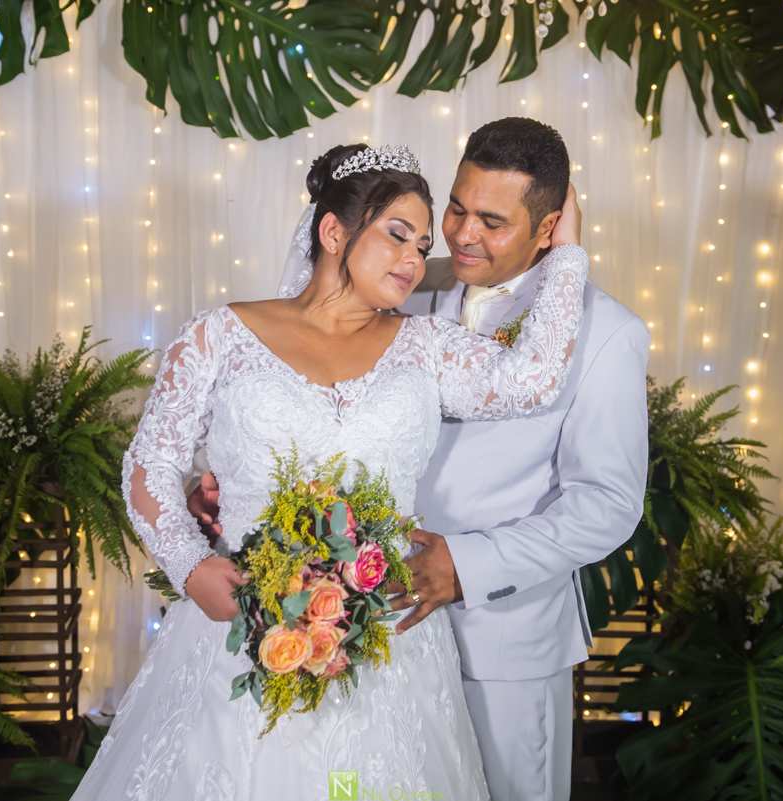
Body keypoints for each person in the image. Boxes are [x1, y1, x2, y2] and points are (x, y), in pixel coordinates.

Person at [71, 142, 589, 801]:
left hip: (385, 643)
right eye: (396, 235)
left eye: (421, 244)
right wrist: (191, 566)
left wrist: (567, 250)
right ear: (333, 231)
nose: (414, 260)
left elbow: (533, 381)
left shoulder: (427, 346)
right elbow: (150, 463)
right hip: (240, 627)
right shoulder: (218, 336)